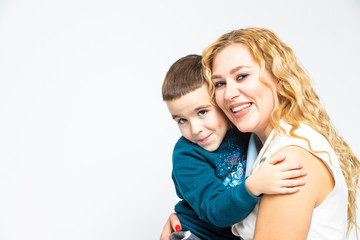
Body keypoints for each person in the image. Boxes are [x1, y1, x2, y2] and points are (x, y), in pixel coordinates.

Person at [201, 27, 360, 239]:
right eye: (220, 84)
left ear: (278, 76)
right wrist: (188, 226)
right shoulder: (259, 149)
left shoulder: (291, 159)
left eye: (242, 76)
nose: (229, 93)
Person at [161, 54, 307, 240]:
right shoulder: (186, 155)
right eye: (182, 120)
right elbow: (215, 211)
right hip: (198, 235)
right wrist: (254, 185)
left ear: (221, 103)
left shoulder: (245, 129)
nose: (195, 129)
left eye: (202, 112)